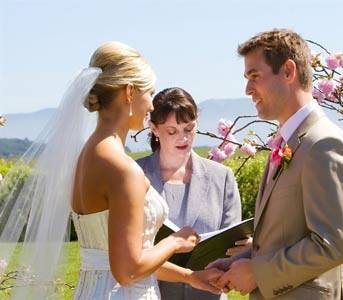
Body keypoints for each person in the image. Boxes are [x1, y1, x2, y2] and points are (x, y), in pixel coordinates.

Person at [0, 42, 222, 299]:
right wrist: (174, 242)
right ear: (129, 92)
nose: (151, 106)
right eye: (149, 93)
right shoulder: (121, 168)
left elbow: (115, 257)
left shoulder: (87, 156)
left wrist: (189, 277)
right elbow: (127, 270)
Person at [208, 29, 343, 299]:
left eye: (254, 76)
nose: (247, 89)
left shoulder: (324, 144)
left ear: (289, 71)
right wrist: (239, 262)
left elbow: (332, 245)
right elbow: (288, 236)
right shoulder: (290, 142)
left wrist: (257, 272)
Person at [136, 87, 243, 300]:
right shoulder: (136, 175)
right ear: (154, 129)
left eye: (189, 128)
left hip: (210, 295)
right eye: (172, 131)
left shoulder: (222, 177)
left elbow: (234, 242)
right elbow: (130, 254)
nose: (183, 138)